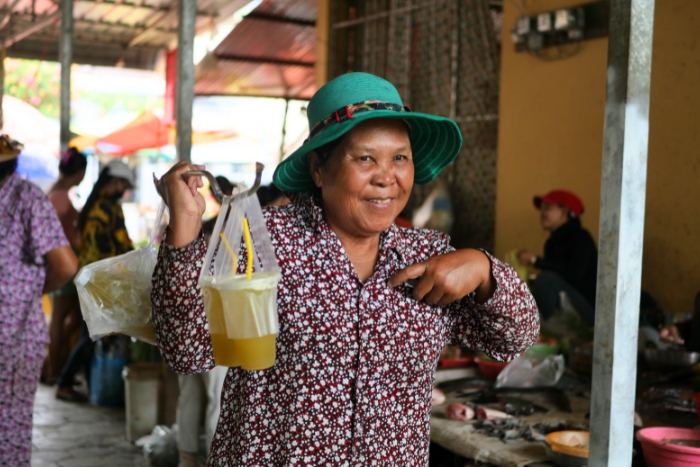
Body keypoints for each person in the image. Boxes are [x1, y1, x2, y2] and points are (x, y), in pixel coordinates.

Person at [152, 72, 539, 466]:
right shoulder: (262, 243)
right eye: (365, 158)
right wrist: (183, 234)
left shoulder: (429, 256)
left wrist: (485, 269)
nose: (387, 177)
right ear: (319, 168)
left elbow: (515, 339)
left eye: (400, 158)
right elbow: (188, 351)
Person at [0, 135, 78, 466]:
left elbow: (65, 265)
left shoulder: (27, 197)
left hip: (14, 339)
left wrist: (27, 290)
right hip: (14, 334)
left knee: (10, 430)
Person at [54, 159, 135, 402]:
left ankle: (87, 384)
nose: (123, 190)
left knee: (89, 332)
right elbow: (120, 245)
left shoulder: (93, 205)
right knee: (91, 334)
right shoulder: (108, 208)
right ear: (114, 182)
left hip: (89, 276)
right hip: (100, 280)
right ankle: (64, 382)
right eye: (123, 184)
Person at [518, 190, 598, 327]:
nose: (542, 213)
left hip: (589, 312)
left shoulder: (581, 238)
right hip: (566, 306)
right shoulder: (551, 243)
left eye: (547, 208)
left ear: (565, 211)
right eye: (541, 208)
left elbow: (573, 276)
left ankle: (546, 330)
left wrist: (536, 261)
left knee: (545, 279)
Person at [43, 148, 88, 386]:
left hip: (60, 263)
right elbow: (57, 234)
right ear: (79, 172)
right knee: (61, 319)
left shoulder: (57, 192)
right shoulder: (59, 196)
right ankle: (54, 371)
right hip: (62, 264)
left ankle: (52, 367)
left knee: (66, 318)